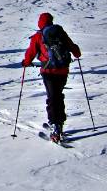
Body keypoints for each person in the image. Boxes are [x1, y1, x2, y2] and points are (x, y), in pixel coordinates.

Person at [22, 12, 82, 143]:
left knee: (52, 97)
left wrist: (26, 62)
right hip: (63, 71)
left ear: (40, 23)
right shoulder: (60, 33)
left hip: (48, 71)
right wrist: (76, 53)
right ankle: (59, 122)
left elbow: (31, 52)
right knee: (58, 95)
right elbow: (74, 49)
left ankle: (55, 124)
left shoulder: (38, 36)